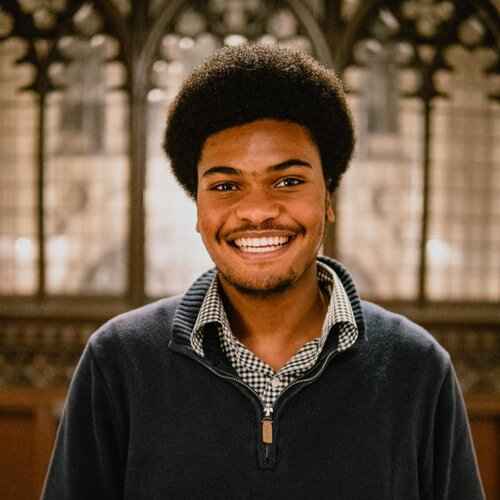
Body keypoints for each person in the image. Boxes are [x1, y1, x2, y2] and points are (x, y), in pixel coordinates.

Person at [41, 44, 485, 500]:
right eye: (226, 185)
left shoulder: (415, 369)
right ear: (198, 210)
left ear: (328, 199)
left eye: (288, 181)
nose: (256, 210)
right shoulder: (119, 361)